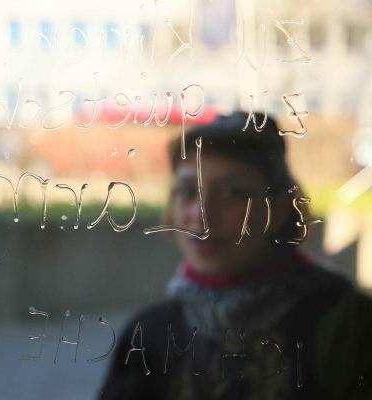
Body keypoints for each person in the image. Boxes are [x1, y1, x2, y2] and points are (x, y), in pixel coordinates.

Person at [98, 112, 372, 399]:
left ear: (278, 210)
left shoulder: (346, 327)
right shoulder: (149, 335)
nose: (202, 215)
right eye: (187, 191)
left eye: (231, 193)